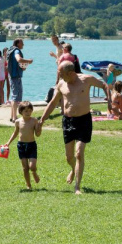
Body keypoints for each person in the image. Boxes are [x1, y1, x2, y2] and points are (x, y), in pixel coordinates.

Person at [40, 62, 110, 194]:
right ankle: (73, 169)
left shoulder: (86, 79)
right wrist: (42, 120)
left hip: (84, 120)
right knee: (69, 157)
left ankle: (77, 187)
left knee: (79, 153)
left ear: (71, 73)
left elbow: (104, 85)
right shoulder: (61, 84)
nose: (60, 76)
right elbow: (53, 103)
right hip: (68, 121)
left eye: (62, 74)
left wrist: (109, 101)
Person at [4, 103, 43, 189]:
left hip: (31, 145)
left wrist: (39, 128)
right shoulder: (18, 121)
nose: (28, 113)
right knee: (25, 168)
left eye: (30, 111)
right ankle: (28, 185)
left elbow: (37, 134)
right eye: (26, 111)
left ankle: (34, 172)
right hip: (21, 146)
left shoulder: (34, 121)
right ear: (21, 111)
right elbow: (15, 133)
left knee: (32, 166)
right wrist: (8, 143)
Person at [6, 38, 32, 122]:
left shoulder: (11, 50)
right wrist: (28, 61)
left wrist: (23, 67)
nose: (23, 44)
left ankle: (12, 116)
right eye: (22, 43)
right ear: (17, 44)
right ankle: (14, 117)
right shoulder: (16, 51)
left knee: (14, 96)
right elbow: (19, 59)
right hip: (15, 77)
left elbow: (18, 63)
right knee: (15, 97)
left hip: (13, 76)